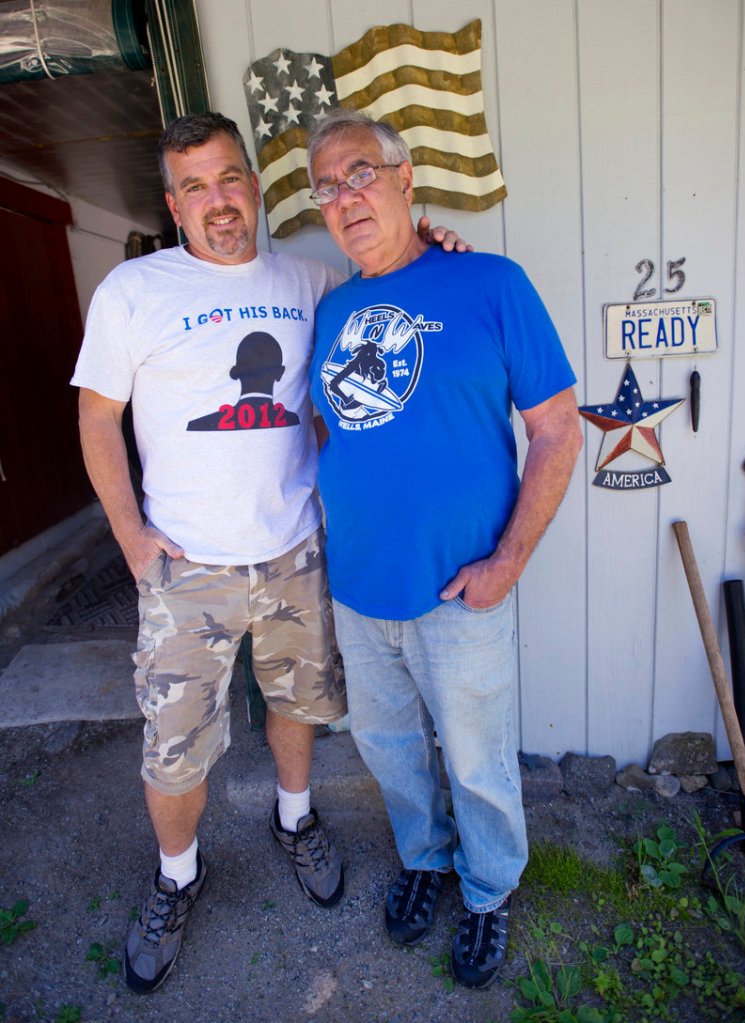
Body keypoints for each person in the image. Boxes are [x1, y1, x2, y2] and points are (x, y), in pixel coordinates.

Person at [71, 110, 466, 995]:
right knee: (174, 748)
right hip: (186, 569)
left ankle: (296, 818)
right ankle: (178, 877)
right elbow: (96, 417)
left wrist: (437, 243)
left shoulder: (310, 279)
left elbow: (392, 285)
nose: (218, 201)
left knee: (302, 704)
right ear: (174, 206)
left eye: (229, 178)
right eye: (195, 187)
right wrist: (132, 538)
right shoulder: (134, 292)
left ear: (254, 182)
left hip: (292, 548)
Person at [307, 109, 583, 990]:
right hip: (357, 589)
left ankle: (489, 889)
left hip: (462, 593)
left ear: (404, 178)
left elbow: (558, 431)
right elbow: (331, 427)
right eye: (326, 186)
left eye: (359, 174)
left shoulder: (490, 283)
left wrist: (507, 563)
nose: (344, 196)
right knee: (389, 748)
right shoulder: (332, 308)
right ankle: (424, 858)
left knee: (476, 756)